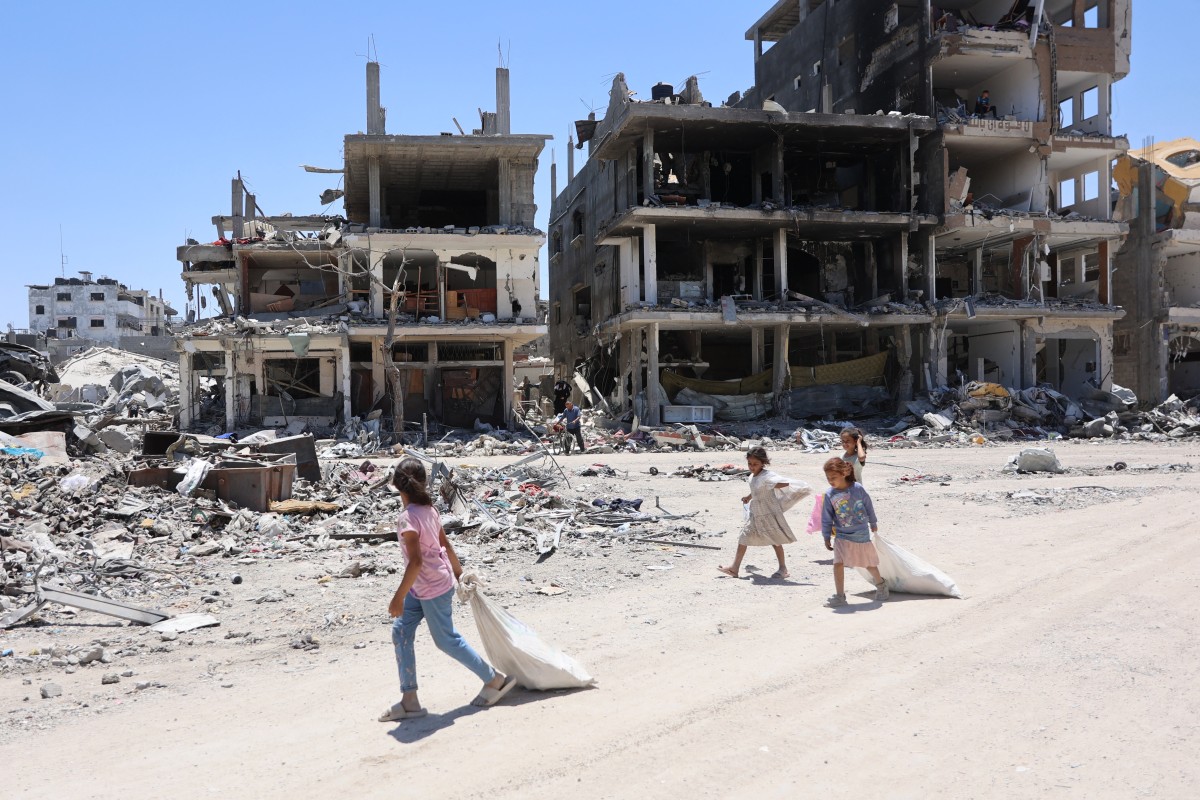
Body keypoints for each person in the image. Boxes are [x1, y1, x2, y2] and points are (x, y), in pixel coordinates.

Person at [379, 457, 516, 722]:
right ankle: (410, 700)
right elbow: (445, 544)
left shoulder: (407, 519)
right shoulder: (429, 511)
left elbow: (417, 562)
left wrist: (397, 598)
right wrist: (458, 573)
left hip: (431, 587)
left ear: (397, 485)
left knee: (446, 640)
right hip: (424, 586)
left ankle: (495, 679)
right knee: (401, 631)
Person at [718, 446, 811, 580]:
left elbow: (780, 483)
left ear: (763, 462)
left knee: (775, 540)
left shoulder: (767, 476)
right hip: (756, 512)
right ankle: (734, 568)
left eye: (755, 464)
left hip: (768, 512)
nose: (752, 466)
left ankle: (783, 569)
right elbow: (757, 489)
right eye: (749, 463)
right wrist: (749, 497)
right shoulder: (752, 476)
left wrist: (780, 485)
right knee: (744, 536)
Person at [821, 458, 888, 608]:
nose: (830, 481)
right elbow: (826, 516)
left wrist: (873, 522)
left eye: (833, 477)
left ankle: (881, 584)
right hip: (841, 534)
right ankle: (840, 596)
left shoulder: (857, 488)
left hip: (860, 532)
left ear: (844, 473)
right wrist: (826, 535)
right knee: (838, 563)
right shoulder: (829, 494)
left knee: (867, 563)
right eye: (828, 478)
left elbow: (868, 505)